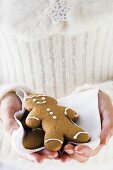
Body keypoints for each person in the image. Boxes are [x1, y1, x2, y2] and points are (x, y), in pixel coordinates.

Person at [0, 0, 113, 169]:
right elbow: (32, 120)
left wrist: (108, 96)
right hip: (12, 155)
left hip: (105, 157)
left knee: (71, 131)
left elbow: (66, 113)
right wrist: (5, 98)